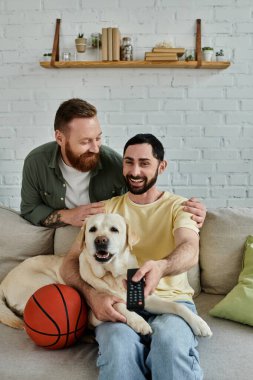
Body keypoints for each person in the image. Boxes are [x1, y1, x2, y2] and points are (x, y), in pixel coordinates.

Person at [60, 134, 204, 380]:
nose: (135, 171)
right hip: (117, 304)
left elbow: (189, 248)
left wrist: (162, 266)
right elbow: (69, 263)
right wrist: (92, 294)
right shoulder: (105, 210)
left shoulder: (180, 207)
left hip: (171, 302)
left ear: (162, 166)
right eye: (129, 162)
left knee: (169, 345)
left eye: (144, 163)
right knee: (118, 349)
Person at [20, 98, 205, 228]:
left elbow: (141, 203)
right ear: (60, 138)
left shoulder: (115, 164)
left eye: (98, 138)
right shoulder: (36, 162)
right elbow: (29, 209)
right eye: (85, 142)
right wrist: (69, 216)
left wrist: (188, 213)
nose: (95, 148)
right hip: (59, 231)